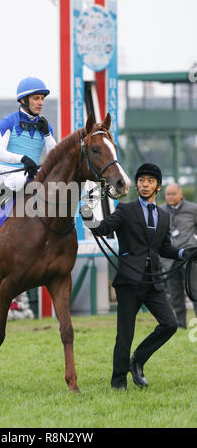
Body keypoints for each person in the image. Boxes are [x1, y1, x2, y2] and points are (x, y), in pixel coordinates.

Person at [81, 163, 197, 390]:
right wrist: (88, 206)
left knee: (170, 324)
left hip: (153, 281)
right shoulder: (125, 210)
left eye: (150, 181)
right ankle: (118, 382)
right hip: (128, 281)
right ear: (137, 184)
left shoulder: (163, 216)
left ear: (158, 187)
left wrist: (185, 253)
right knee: (125, 334)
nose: (145, 185)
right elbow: (102, 228)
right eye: (142, 181)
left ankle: (138, 360)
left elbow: (165, 248)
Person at [0, 76, 56, 224]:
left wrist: (47, 134)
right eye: (36, 98)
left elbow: (54, 156)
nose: (41, 103)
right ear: (23, 100)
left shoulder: (45, 126)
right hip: (8, 174)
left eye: (42, 98)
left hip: (33, 175)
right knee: (20, 179)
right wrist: (22, 159)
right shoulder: (8, 122)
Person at [160, 183, 197, 328]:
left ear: (180, 194)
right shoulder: (160, 210)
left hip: (189, 257)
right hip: (169, 259)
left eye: (173, 193)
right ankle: (181, 324)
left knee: (195, 290)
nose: (170, 196)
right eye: (168, 194)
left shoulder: (193, 209)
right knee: (175, 294)